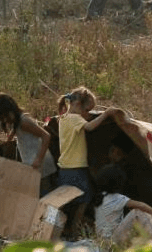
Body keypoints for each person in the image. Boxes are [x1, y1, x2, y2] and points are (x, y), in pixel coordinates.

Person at [56, 87, 123, 235]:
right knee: (85, 198)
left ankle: (59, 227)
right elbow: (90, 127)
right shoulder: (75, 119)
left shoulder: (63, 118)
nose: (87, 115)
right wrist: (106, 114)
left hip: (66, 167)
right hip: (75, 168)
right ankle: (74, 227)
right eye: (87, 110)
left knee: (65, 199)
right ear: (78, 104)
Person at [0, 93, 54, 189]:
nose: (4, 121)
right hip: (33, 166)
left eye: (3, 117)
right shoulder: (18, 123)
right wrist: (8, 140)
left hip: (41, 168)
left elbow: (46, 136)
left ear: (9, 112)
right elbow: (15, 132)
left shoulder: (23, 122)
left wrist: (39, 159)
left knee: (44, 199)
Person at [94, 164, 152, 246]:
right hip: (111, 240)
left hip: (103, 240)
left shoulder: (101, 197)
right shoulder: (115, 198)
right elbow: (140, 205)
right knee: (137, 213)